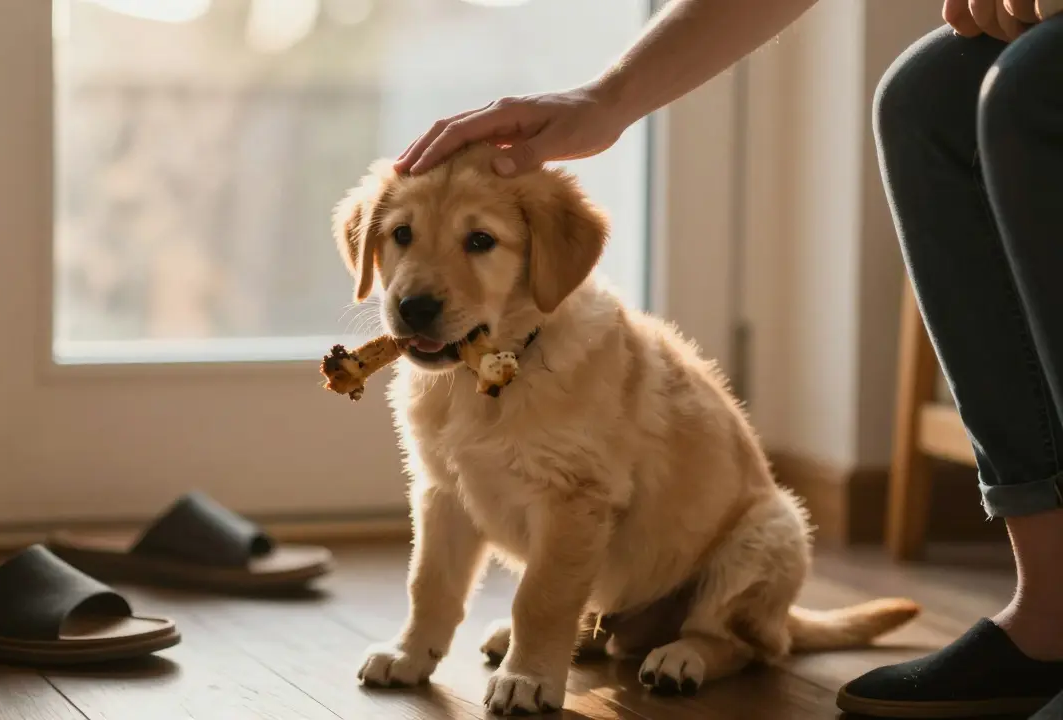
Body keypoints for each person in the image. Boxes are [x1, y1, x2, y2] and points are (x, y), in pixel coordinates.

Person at [394, 0, 1063, 717]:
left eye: (478, 242)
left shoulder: (583, 357)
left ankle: (717, 640)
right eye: (401, 235)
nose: (422, 286)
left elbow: (578, 503)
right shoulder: (434, 379)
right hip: (623, 589)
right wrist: (606, 99)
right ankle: (1054, 605)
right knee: (920, 95)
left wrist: (538, 638)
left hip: (709, 559)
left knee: (1024, 90)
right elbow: (451, 502)